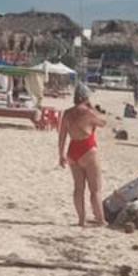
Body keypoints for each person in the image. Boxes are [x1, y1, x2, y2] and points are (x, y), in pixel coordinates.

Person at [57, 82, 105, 227]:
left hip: (72, 150)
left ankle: (81, 220)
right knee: (95, 189)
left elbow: (62, 136)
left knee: (78, 188)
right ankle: (100, 219)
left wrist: (61, 154)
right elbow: (103, 122)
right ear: (86, 97)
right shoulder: (88, 112)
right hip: (87, 149)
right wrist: (92, 108)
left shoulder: (67, 113)